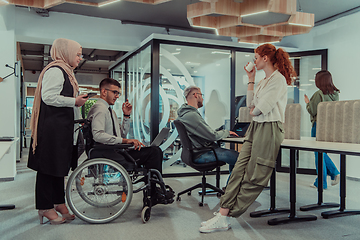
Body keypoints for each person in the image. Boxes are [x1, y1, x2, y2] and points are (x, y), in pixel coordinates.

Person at [199, 44, 296, 233]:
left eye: (256, 58)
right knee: (239, 170)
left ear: (265, 58)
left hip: (270, 127)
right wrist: (251, 80)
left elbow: (261, 109)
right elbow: (251, 104)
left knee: (255, 175)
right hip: (257, 127)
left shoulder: (279, 80)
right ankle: (223, 213)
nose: (254, 61)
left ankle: (226, 214)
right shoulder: (262, 81)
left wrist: (255, 109)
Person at [28, 38, 88, 225]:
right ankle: (45, 207)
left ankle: (58, 202)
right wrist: (74, 101)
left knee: (58, 167)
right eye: (77, 54)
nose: (80, 58)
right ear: (66, 52)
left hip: (60, 128)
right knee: (47, 169)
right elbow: (48, 97)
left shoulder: (66, 71)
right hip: (52, 129)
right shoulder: (56, 70)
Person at [87, 77, 173, 206]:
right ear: (104, 92)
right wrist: (126, 141)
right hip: (109, 153)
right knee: (154, 152)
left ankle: (154, 191)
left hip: (115, 150)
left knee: (154, 151)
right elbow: (98, 135)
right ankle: (154, 193)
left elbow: (119, 135)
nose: (117, 96)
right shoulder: (100, 109)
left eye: (118, 93)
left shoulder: (109, 110)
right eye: (114, 92)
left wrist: (126, 116)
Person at [176, 86, 239, 184]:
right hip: (201, 154)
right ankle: (230, 190)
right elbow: (212, 136)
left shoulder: (186, 114)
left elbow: (204, 133)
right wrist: (226, 132)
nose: (203, 98)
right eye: (201, 95)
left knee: (234, 156)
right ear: (196, 95)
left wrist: (217, 132)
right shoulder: (191, 115)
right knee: (239, 158)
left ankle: (230, 188)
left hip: (196, 152)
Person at [304, 70, 340, 189]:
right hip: (329, 127)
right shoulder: (335, 94)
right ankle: (332, 175)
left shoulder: (318, 94)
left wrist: (307, 103)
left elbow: (312, 111)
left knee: (318, 154)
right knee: (321, 152)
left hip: (318, 126)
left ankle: (322, 181)